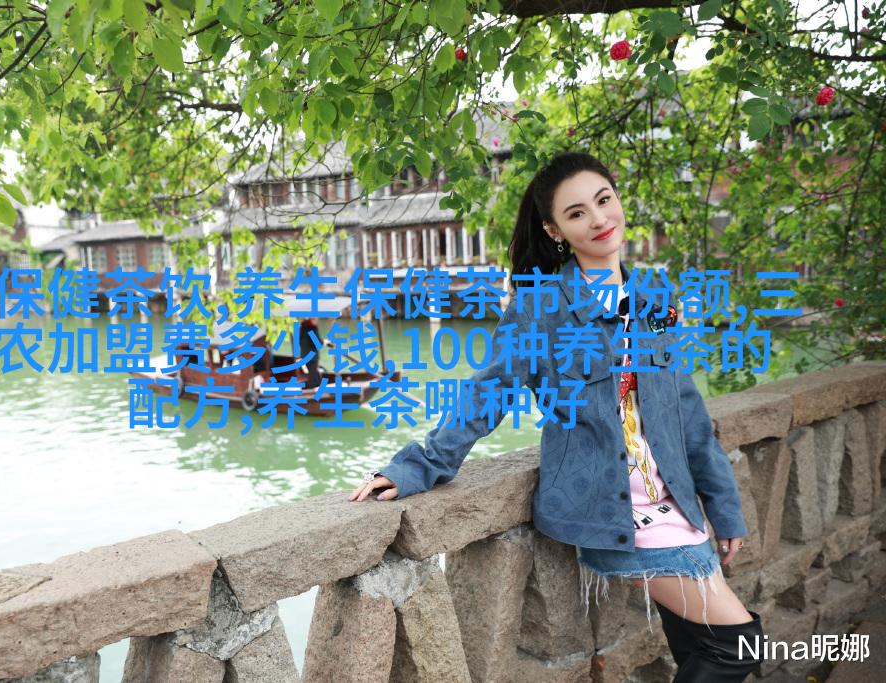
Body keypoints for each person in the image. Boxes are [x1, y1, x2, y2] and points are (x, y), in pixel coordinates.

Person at [348, 152, 764, 681]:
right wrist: (417, 467)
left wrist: (723, 507)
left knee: (700, 643)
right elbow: (489, 392)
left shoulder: (655, 299)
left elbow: (689, 416)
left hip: (678, 504)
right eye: (577, 213)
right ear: (555, 230)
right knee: (738, 645)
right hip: (615, 515)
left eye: (604, 200)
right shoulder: (540, 308)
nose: (598, 219)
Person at [298, 317, 323, 389]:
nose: (317, 320)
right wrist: (323, 342)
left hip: (304, 356)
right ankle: (310, 391)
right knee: (311, 377)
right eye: (316, 319)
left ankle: (315, 388)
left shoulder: (302, 328)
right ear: (311, 320)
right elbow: (317, 344)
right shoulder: (312, 328)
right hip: (312, 358)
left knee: (314, 376)